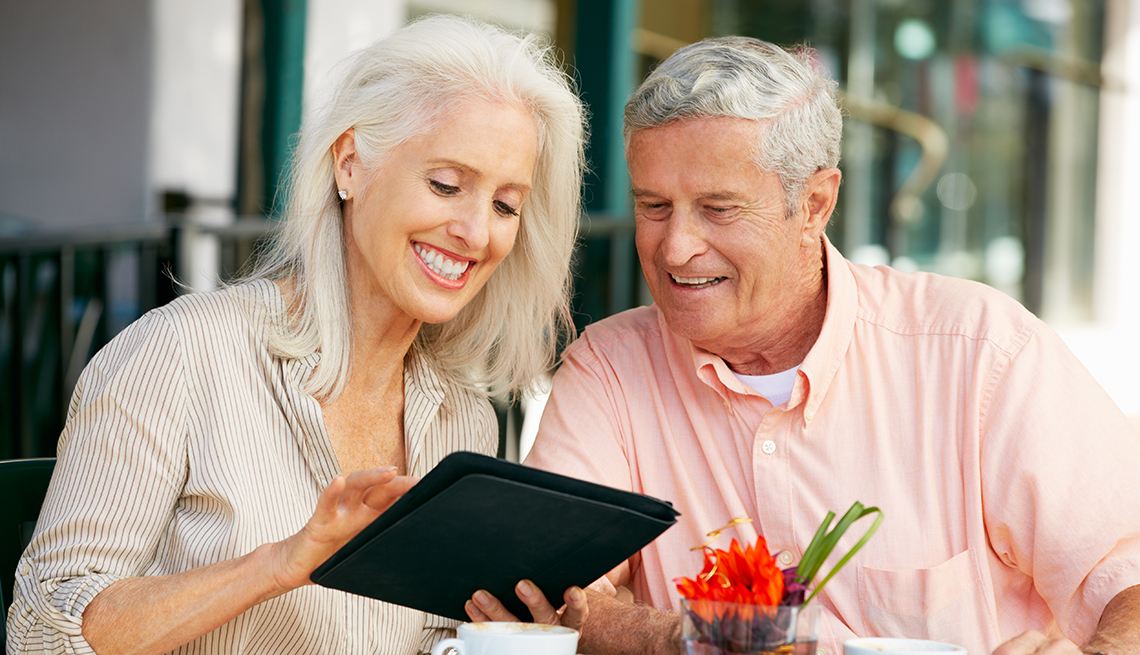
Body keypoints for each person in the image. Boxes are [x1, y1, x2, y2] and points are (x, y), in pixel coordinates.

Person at [465, 36, 1140, 655]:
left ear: (815, 203)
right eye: (654, 206)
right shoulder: (609, 369)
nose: (675, 246)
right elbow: (554, 604)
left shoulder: (982, 354)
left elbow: (1128, 576)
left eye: (718, 209)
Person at [7, 14, 587, 655]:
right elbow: (39, 633)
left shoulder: (463, 417)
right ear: (350, 163)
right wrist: (278, 565)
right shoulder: (179, 354)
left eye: (507, 204)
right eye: (446, 184)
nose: (477, 233)